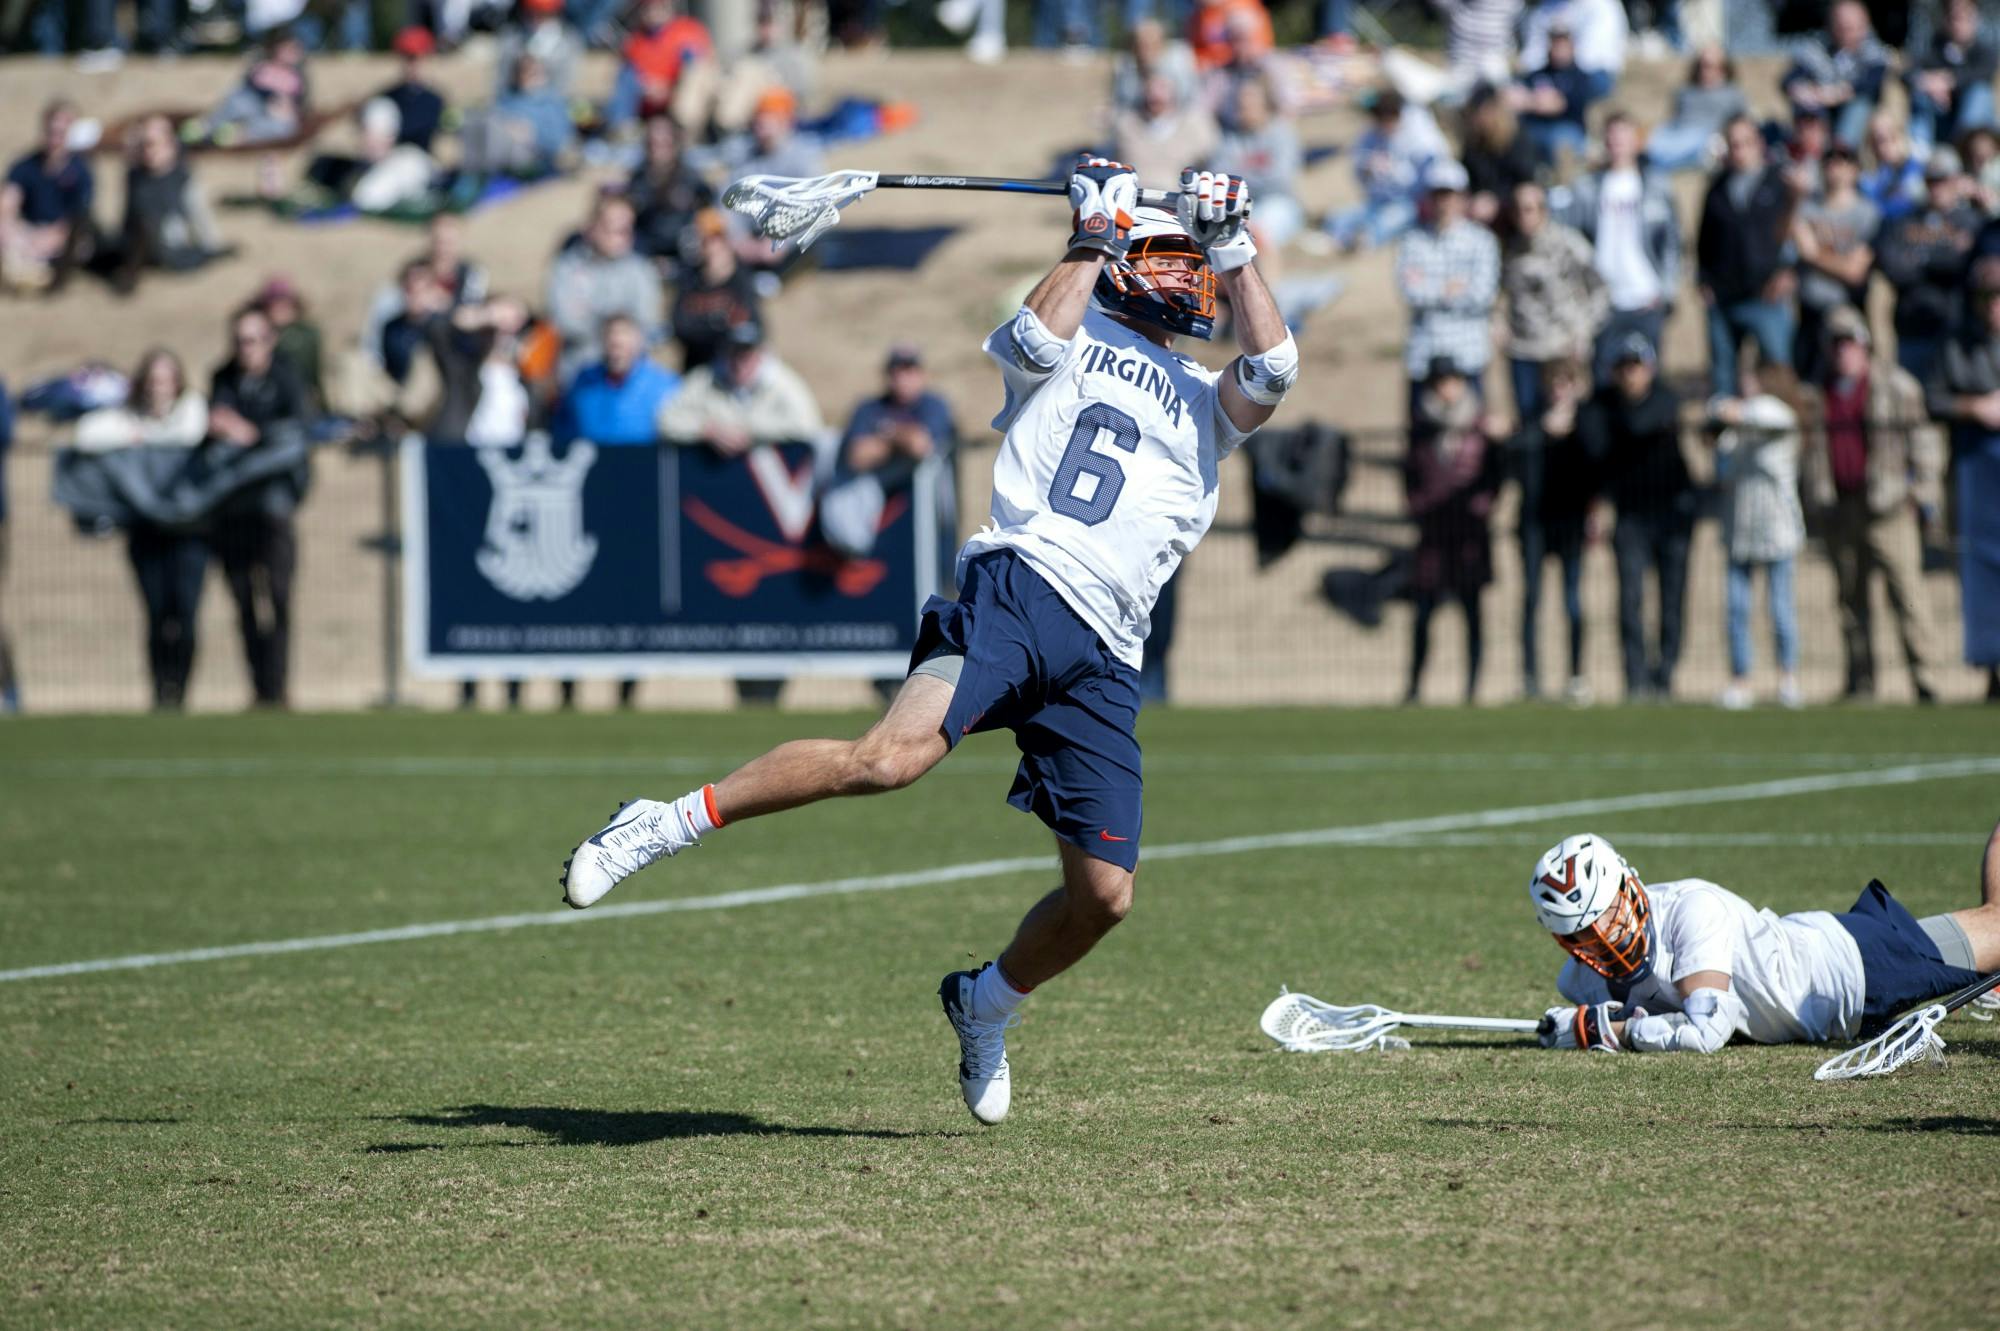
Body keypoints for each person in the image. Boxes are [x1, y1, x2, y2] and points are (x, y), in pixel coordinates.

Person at [565, 162, 1295, 1126]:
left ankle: (983, 1001)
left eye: (1189, 262)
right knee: (888, 760)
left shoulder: (1207, 398)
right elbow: (1032, 333)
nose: (1187, 275)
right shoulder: (1073, 333)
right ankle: (664, 821)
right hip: (1023, 586)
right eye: (1175, 258)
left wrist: (1236, 241)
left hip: (1109, 650)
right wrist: (1088, 234)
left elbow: (1275, 369)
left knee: (1105, 898)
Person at [1526, 825, 2000, 1053]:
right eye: (1584, 933)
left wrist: (1608, 1031)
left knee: (1996, 926)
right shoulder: (1581, 983)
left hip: (1851, 970)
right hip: (1828, 963)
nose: (1604, 937)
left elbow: (1708, 1031)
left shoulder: (1692, 908)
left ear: (1629, 886)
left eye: (1608, 915)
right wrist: (1582, 1024)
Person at [1802, 308, 1942, 704]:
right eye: (1836, 343)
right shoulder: (1817, 394)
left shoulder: (1896, 386)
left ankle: (1926, 678)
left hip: (1889, 505)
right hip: (1841, 506)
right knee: (1850, 600)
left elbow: (1926, 443)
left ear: (1865, 345)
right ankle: (1860, 680)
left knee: (1908, 595)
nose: (1843, 351)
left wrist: (1922, 494)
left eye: (1849, 342)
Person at [72, 349, 211, 710]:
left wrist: (142, 438)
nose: (158, 388)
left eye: (165, 380)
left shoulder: (191, 409)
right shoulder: (129, 416)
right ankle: (160, 691)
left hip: (189, 531)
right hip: (147, 531)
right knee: (156, 613)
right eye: (152, 380)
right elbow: (87, 435)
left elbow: (190, 432)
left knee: (185, 613)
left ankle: (180, 690)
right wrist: (135, 434)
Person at [208, 305, 309, 709]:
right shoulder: (223, 378)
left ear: (269, 342)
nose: (244, 349)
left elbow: (293, 434)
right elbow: (217, 426)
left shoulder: (285, 381)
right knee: (243, 600)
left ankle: (280, 686)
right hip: (233, 510)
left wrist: (252, 435)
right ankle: (259, 689)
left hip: (274, 510)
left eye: (252, 340)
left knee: (280, 597)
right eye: (238, 341)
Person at [1580, 331, 1690, 700]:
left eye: (1636, 366)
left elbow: (1639, 423)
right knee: (1630, 599)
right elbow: (1592, 445)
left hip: (1671, 514)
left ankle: (1666, 674)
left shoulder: (1665, 398)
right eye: (1623, 367)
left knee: (1672, 600)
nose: (1630, 375)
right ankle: (1636, 677)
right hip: (1630, 517)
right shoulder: (1601, 405)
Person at [1551, 112, 1681, 386]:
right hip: (1604, 299)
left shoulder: (1656, 186)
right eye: (1612, 137)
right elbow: (1562, 226)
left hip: (1646, 296)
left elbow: (1672, 241)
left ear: (1637, 141)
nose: (1617, 143)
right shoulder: (1587, 187)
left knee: (1648, 380)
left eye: (1624, 136)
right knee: (1603, 378)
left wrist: (1667, 290)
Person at [1704, 352, 1803, 710]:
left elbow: (1752, 414)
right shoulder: (1742, 426)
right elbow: (1717, 424)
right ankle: (1740, 680)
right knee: (1736, 608)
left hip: (1776, 526)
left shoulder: (1777, 415)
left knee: (1780, 607)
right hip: (1740, 528)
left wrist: (1727, 410)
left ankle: (1788, 678)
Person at [1403, 358, 1500, 705]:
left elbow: (1495, 476)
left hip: (1469, 534)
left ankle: (1473, 688)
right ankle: (1414, 688)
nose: (1446, 388)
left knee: (1473, 615)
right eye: (1440, 381)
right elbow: (1410, 475)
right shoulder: (1421, 427)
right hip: (1433, 533)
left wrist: (1481, 506)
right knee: (1423, 615)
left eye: (1452, 380)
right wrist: (1420, 506)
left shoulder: (1482, 427)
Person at [1926, 259, 2000, 701]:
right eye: (1988, 300)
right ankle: (1991, 664)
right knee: (1982, 567)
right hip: (1976, 465)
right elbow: (1934, 398)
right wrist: (1975, 407)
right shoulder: (1956, 345)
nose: (1994, 309)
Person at [1697, 115, 1804, 398]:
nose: (1740, 151)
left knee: (1778, 368)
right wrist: (1703, 281)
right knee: (1723, 375)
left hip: (1766, 295)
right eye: (1734, 145)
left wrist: (1790, 272)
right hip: (1724, 296)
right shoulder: (1717, 188)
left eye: (1745, 143)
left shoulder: (1778, 183)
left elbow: (1794, 232)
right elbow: (1704, 239)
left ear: (1758, 144)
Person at [1511, 357, 1597, 703]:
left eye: (1568, 382)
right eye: (1556, 383)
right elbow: (1513, 457)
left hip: (1571, 523)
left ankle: (1576, 675)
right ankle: (1531, 676)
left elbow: (1598, 460)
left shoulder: (1588, 422)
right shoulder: (1532, 422)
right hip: (1535, 523)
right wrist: (1541, 430)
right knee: (1532, 599)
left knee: (1573, 601)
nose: (1561, 390)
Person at [1394, 160, 1500, 417]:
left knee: (1472, 440)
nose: (1444, 201)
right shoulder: (1413, 241)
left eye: (1449, 194)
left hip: (1468, 353)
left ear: (1463, 197)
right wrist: (1449, 289)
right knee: (1422, 442)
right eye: (1437, 194)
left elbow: (1483, 294)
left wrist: (1431, 288)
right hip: (1424, 353)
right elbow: (1410, 292)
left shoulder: (1482, 241)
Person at [1501, 181, 1606, 423]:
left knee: (1568, 422)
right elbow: (1503, 295)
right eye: (1517, 210)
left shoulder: (1568, 243)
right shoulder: (1510, 249)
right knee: (1529, 421)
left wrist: (1584, 328)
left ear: (1543, 210)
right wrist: (1500, 324)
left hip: (1562, 346)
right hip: (1523, 347)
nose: (1522, 216)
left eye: (1529, 209)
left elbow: (1599, 286)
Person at [1875, 149, 1981, 387]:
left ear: (1956, 181)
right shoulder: (1906, 220)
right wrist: (1943, 256)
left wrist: (1920, 258)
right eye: (1931, 180)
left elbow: (1963, 265)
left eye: (1943, 179)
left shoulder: (1971, 221)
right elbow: (1893, 267)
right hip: (1912, 329)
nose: (1937, 187)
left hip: (1955, 333)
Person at [546, 194, 664, 384]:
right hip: (578, 374)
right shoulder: (568, 268)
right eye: (612, 227)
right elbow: (565, 321)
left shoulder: (641, 272)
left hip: (628, 379)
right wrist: (617, 328)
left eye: (626, 228)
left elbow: (647, 323)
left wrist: (601, 325)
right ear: (591, 228)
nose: (621, 235)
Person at [1790, 142, 1877, 382]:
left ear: (1856, 169)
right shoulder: (1806, 207)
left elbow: (1854, 271)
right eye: (1829, 160)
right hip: (1809, 315)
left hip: (1847, 315)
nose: (1835, 167)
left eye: (1843, 160)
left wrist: (1814, 254)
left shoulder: (1867, 214)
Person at [114, 112, 228, 293]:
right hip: (140, 245)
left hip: (171, 243)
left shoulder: (182, 176)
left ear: (170, 144)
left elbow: (199, 214)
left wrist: (212, 246)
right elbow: (128, 214)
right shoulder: (135, 176)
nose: (148, 151)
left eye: (153, 144)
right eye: (144, 145)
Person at [1324, 90, 1446, 253]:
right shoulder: (1369, 136)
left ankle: (1366, 240)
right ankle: (1341, 237)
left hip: (1407, 202)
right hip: (1376, 200)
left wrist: (1395, 171)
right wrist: (1368, 168)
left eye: (1389, 118)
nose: (1386, 124)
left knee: (1393, 218)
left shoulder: (1417, 134)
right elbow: (1358, 171)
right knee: (1339, 217)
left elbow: (1430, 174)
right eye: (1381, 119)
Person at [2, 99, 96, 294]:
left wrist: (46, 240)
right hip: (28, 233)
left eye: (61, 133)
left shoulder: (82, 172)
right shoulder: (24, 165)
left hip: (62, 238)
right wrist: (17, 232)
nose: (55, 139)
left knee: (78, 242)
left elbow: (75, 218)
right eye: (51, 131)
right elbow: (7, 204)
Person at [553, 314, 680, 446]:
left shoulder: (664, 387)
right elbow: (563, 429)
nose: (615, 345)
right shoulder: (583, 383)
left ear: (639, 341)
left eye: (623, 339)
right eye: (611, 338)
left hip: (643, 462)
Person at [1780, 0, 1888, 151]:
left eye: (1850, 27)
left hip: (1854, 110)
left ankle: (1842, 155)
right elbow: (1789, 79)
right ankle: (1809, 155)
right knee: (1806, 105)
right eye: (1840, 26)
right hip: (1821, 108)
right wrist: (1802, 90)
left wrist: (1839, 93)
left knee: (1858, 107)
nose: (1845, 32)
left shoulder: (1874, 52)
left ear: (1864, 25)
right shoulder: (1817, 48)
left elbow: (1872, 83)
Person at [1213, 78, 1301, 252]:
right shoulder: (1230, 137)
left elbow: (1280, 178)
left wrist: (1240, 178)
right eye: (1240, 104)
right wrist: (1252, 176)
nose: (1243, 108)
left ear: (1265, 104)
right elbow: (1218, 174)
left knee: (1256, 233)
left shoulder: (1281, 133)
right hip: (1239, 205)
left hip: (1277, 201)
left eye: (1250, 103)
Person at [671, 208, 763, 373]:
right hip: (698, 368)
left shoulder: (742, 280)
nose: (713, 247)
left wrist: (708, 326)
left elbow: (752, 328)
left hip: (735, 368)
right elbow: (681, 327)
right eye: (707, 241)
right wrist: (720, 325)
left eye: (719, 239)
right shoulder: (690, 279)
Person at [1906, 0, 1997, 156]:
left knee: (1979, 93)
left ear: (1975, 17)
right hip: (1942, 120)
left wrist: (1949, 82)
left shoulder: (1984, 50)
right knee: (1920, 95)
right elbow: (1907, 73)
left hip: (1975, 124)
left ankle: (1966, 148)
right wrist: (1928, 83)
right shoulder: (1935, 48)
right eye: (1954, 17)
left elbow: (1984, 72)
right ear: (1946, 19)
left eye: (1964, 16)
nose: (1959, 22)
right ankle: (1919, 151)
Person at [1644, 46, 1747, 174]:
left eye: (1709, 65)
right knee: (1656, 138)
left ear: (1723, 69)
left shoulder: (1732, 94)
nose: (1704, 70)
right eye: (1701, 65)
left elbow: (1742, 123)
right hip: (1679, 135)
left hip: (1708, 138)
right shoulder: (1685, 92)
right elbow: (1674, 120)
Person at [198, 31, 310, 147]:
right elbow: (244, 91)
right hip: (250, 106)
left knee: (286, 127)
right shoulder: (262, 67)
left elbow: (298, 106)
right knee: (239, 104)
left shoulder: (297, 78)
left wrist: (287, 110)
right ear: (276, 49)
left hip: (269, 117)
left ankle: (235, 134)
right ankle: (206, 127)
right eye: (288, 49)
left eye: (295, 50)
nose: (293, 53)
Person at [1115, 73, 1221, 195]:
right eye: (1150, 88)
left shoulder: (1196, 125)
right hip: (1133, 197)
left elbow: (1213, 160)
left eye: (1162, 88)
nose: (1155, 95)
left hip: (1178, 200)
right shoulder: (1127, 125)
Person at [627, 114, 714, 262]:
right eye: (652, 143)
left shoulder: (692, 179)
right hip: (645, 251)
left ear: (675, 144)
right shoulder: (637, 179)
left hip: (685, 252)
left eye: (664, 144)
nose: (657, 150)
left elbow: (707, 214)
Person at [1511, 23, 1595, 168]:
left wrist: (1531, 101)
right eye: (1555, 44)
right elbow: (1514, 99)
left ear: (1572, 47)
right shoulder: (1536, 75)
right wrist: (1538, 101)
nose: (1558, 50)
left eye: (1563, 45)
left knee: (1558, 141)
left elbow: (1558, 105)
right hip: (1534, 127)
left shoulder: (1580, 77)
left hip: (1567, 129)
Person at [1460, 85, 1540, 230]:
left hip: (1509, 204)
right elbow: (1468, 178)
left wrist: (1496, 199)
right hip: (1479, 204)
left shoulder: (1517, 139)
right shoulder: (1473, 143)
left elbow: (1525, 179)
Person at [1517, 0, 1627, 103]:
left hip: (1590, 75)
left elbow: (1590, 59)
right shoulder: (1544, 9)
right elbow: (1532, 57)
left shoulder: (1601, 5)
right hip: (1551, 74)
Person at [378, 27, 447, 153]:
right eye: (406, 58)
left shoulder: (433, 100)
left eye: (414, 58)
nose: (411, 65)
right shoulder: (389, 96)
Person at [1861, 112, 1927, 223]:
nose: (1884, 147)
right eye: (1878, 141)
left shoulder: (1919, 165)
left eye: (1892, 138)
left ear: (1901, 135)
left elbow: (1915, 201)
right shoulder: (1870, 176)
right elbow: (1873, 210)